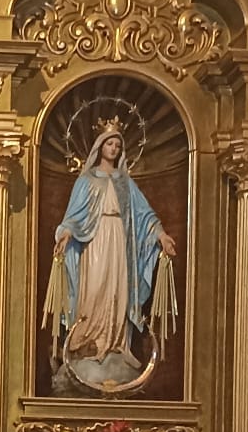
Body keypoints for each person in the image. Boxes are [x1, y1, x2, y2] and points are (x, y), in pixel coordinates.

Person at [43, 118, 177, 392]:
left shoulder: (126, 184)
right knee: (93, 292)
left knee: (117, 294)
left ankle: (115, 345)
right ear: (99, 147)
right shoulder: (86, 181)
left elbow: (144, 215)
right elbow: (73, 216)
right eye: (109, 143)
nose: (114, 149)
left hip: (119, 243)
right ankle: (88, 346)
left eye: (118, 144)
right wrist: (66, 233)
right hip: (93, 244)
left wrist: (161, 235)